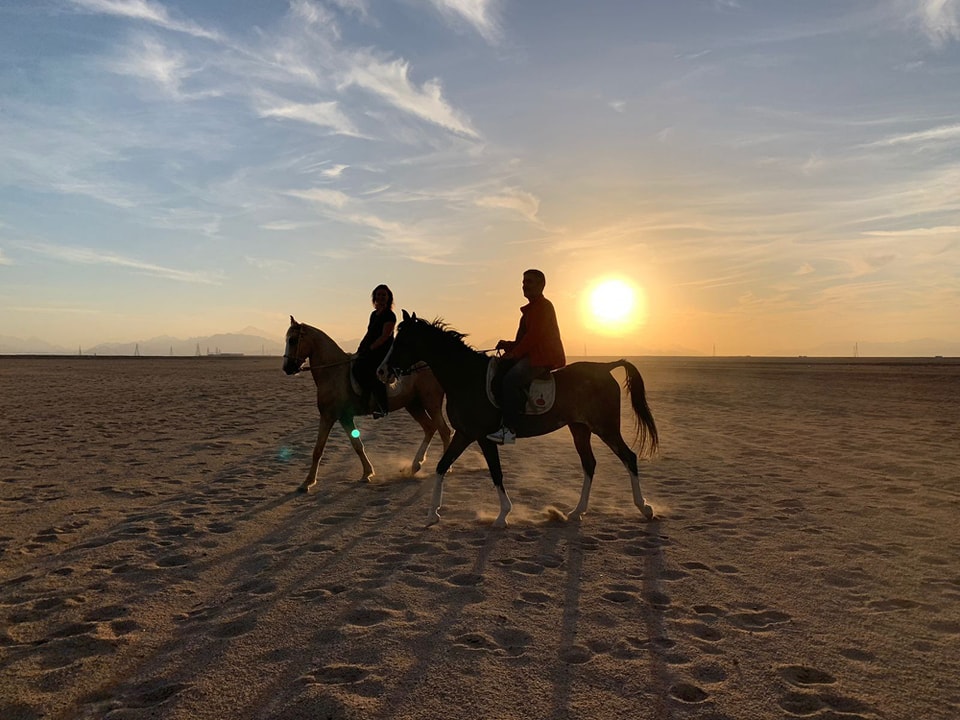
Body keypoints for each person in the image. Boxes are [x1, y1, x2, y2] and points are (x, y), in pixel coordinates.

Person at [487, 269, 566, 444]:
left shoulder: (543, 307)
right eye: (523, 282)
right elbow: (523, 340)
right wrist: (508, 345)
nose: (524, 286)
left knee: (511, 380)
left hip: (542, 358)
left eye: (529, 282)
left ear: (541, 285)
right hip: (532, 355)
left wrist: (514, 354)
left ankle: (509, 429)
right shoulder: (530, 310)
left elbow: (534, 336)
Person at [354, 284, 396, 418]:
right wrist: (361, 347)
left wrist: (371, 348)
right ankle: (365, 397)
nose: (381, 297)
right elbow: (369, 332)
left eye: (384, 295)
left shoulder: (389, 315)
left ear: (388, 297)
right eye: (378, 295)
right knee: (356, 367)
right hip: (371, 348)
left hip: (383, 351)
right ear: (375, 297)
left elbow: (385, 336)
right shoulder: (374, 314)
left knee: (373, 372)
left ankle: (382, 406)